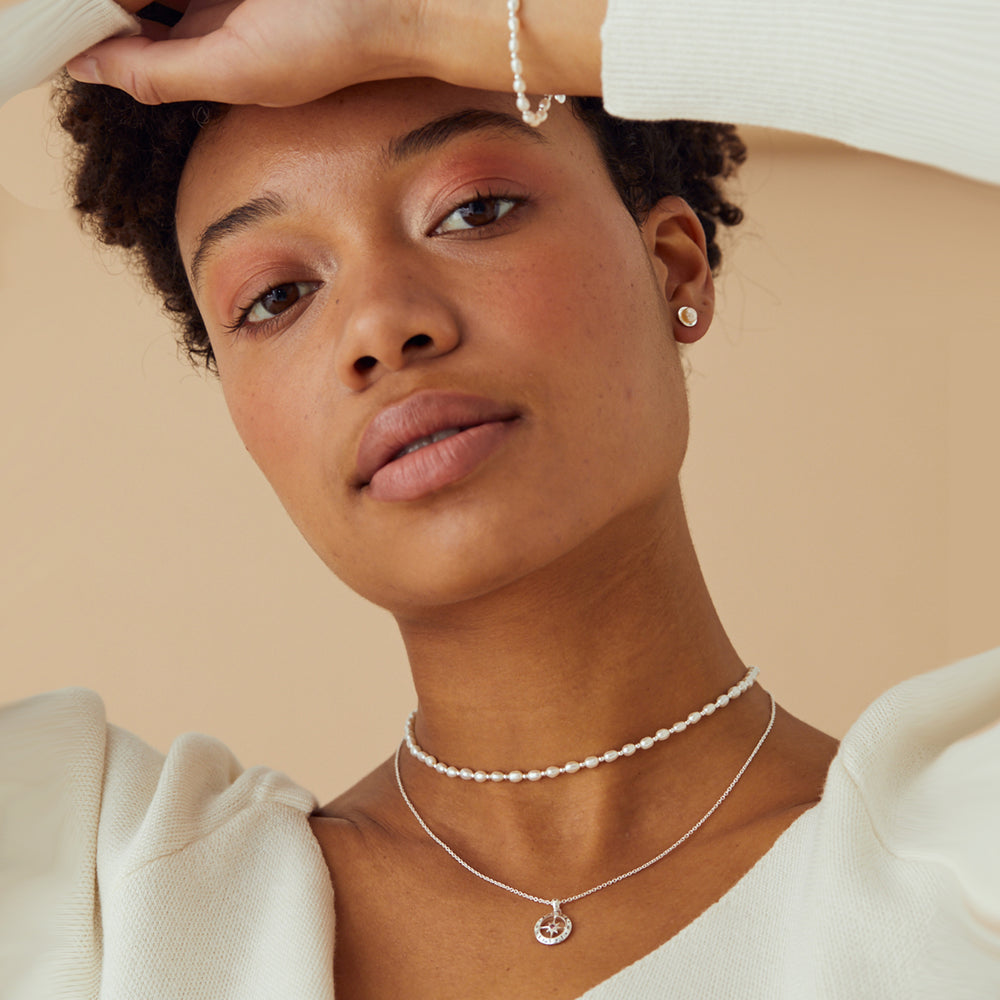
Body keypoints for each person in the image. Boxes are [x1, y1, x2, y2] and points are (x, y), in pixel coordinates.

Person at [1, 1, 998, 998]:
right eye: (275, 295)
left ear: (672, 265)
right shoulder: (104, 905)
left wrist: (462, 21)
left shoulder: (964, 872)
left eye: (473, 209)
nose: (381, 325)